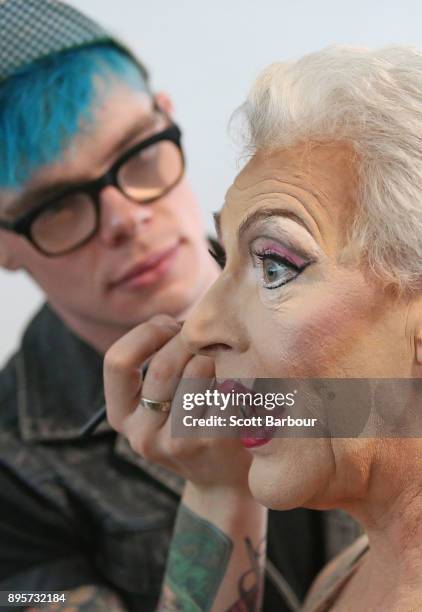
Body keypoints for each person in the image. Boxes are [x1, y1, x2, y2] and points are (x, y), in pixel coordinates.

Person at [0, 1, 359, 610]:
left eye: (137, 155)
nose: (126, 218)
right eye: (59, 207)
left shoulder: (357, 269)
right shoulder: (13, 474)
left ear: (167, 117)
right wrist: (221, 493)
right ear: (6, 243)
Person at [104, 45, 422, 610]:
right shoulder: (346, 579)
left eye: (274, 265)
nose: (199, 326)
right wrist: (218, 485)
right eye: (224, 257)